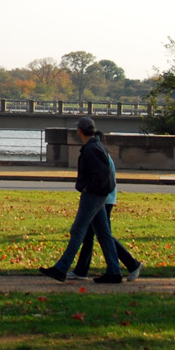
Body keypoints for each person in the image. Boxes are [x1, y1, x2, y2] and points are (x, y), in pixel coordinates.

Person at [39, 116, 123, 284]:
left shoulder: (90, 149)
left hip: (93, 196)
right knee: (104, 233)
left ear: (79, 132)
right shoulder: (98, 146)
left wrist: (86, 187)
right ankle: (114, 271)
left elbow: (97, 176)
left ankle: (61, 269)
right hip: (101, 195)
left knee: (78, 230)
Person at [69, 149, 144, 281]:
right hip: (105, 199)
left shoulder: (100, 158)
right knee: (91, 236)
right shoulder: (104, 157)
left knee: (104, 236)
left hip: (102, 201)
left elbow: (102, 180)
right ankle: (82, 270)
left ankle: (132, 264)